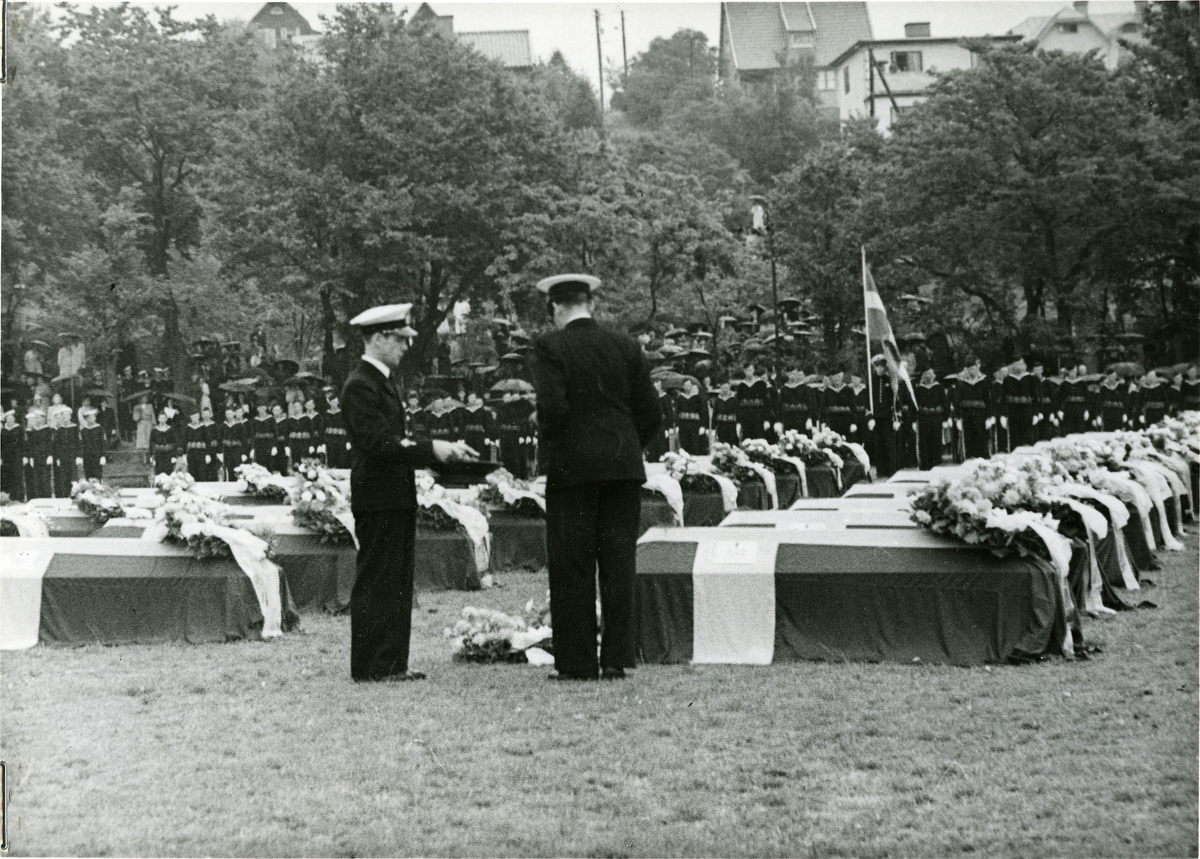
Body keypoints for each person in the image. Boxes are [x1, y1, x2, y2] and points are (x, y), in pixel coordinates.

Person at [532, 274, 661, 681]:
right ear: (592, 303)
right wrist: (625, 448)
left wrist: (553, 452)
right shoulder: (626, 346)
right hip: (622, 470)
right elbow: (652, 413)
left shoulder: (549, 346)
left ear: (555, 307)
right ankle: (617, 657)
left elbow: (552, 408)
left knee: (573, 564)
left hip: (573, 471)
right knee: (618, 562)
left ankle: (577, 662)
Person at [342, 303, 477, 682]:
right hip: (378, 495)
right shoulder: (360, 385)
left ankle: (392, 663)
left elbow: (396, 441)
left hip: (392, 494)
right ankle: (372, 666)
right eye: (399, 339)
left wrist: (437, 448)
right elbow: (380, 444)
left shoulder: (379, 381)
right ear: (380, 338)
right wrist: (432, 449)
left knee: (397, 581)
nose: (405, 347)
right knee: (378, 580)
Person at [953, 359, 991, 461]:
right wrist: (957, 418)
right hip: (966, 413)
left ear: (977, 369)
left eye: (974, 369)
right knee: (968, 436)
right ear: (967, 371)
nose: (972, 372)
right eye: (970, 369)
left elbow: (988, 401)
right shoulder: (961, 384)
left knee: (981, 435)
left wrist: (989, 417)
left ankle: (982, 457)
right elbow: (956, 402)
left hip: (980, 413)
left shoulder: (984, 383)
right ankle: (969, 456)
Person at [322, 392, 351, 469]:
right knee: (331, 457)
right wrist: (323, 442)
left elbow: (347, 427)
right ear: (330, 403)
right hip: (330, 439)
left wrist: (348, 441)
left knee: (341, 458)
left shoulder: (343, 413)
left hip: (341, 439)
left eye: (335, 402)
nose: (334, 404)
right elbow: (323, 428)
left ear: (338, 402)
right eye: (332, 402)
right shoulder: (326, 414)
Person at [2, 410, 26, 501]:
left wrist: (23, 455)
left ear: (14, 419)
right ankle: (10, 498)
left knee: (17, 476)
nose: (9, 420)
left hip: (17, 456)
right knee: (8, 476)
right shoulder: (3, 430)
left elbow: (22, 443)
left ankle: (19, 498)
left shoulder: (19, 428)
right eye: (7, 418)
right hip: (6, 457)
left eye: (11, 418)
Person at [79, 407, 106, 481]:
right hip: (87, 456)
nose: (92, 419)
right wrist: (80, 456)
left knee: (97, 475)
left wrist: (103, 456)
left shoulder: (100, 429)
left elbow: (103, 443)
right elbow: (81, 444)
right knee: (88, 475)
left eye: (93, 417)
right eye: (90, 417)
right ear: (86, 419)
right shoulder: (84, 430)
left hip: (97, 455)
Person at [150, 410, 179, 476]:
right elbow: (151, 442)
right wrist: (151, 456)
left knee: (168, 473)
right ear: (158, 419)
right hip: (158, 455)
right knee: (158, 474)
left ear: (166, 419)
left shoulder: (171, 430)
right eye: (160, 418)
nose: (162, 420)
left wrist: (174, 456)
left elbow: (174, 443)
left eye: (164, 418)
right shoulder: (154, 430)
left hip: (168, 455)